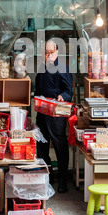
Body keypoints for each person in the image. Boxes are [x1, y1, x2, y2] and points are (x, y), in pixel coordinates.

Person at [35, 39, 73, 193]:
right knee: (42, 147)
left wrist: (62, 96)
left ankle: (63, 179)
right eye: (46, 53)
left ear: (57, 52)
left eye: (51, 52)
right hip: (42, 113)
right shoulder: (41, 68)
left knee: (60, 146)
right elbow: (38, 88)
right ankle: (48, 177)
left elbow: (69, 91)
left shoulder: (63, 68)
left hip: (57, 114)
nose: (48, 55)